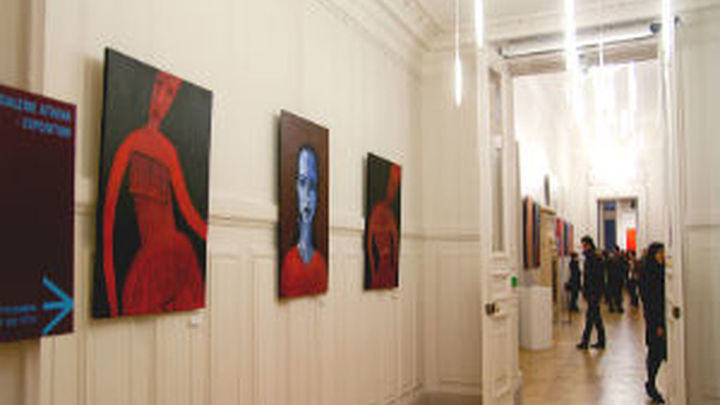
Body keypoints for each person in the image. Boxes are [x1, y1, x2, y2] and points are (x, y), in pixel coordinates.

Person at [102, 71, 206, 317]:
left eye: (170, 92)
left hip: (177, 255)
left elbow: (190, 214)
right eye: (159, 85)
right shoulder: (130, 143)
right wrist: (112, 300)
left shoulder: (169, 151)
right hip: (150, 263)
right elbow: (107, 222)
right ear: (149, 85)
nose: (160, 98)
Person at [280, 146, 328, 297]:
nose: (307, 195)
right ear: (295, 188)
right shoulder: (288, 261)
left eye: (312, 186)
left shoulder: (321, 263)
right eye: (302, 183)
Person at [639, 242, 667, 403]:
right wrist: (658, 324)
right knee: (656, 352)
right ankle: (651, 383)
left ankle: (651, 383)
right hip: (655, 320)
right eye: (660, 253)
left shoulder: (659, 270)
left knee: (657, 352)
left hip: (660, 319)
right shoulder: (649, 274)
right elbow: (651, 301)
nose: (663, 255)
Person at [366, 164, 401, 288]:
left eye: (396, 186)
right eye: (392, 184)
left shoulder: (390, 215)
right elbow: (369, 246)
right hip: (381, 267)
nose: (393, 190)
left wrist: (394, 266)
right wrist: (373, 271)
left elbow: (395, 246)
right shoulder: (377, 212)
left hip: (387, 268)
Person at [577, 236, 606, 350]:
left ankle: (586, 341)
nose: (583, 247)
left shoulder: (593, 258)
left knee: (591, 317)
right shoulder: (592, 257)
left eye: (584, 245)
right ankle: (600, 340)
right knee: (595, 317)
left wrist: (592, 292)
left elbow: (595, 277)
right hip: (593, 292)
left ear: (588, 245)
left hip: (593, 292)